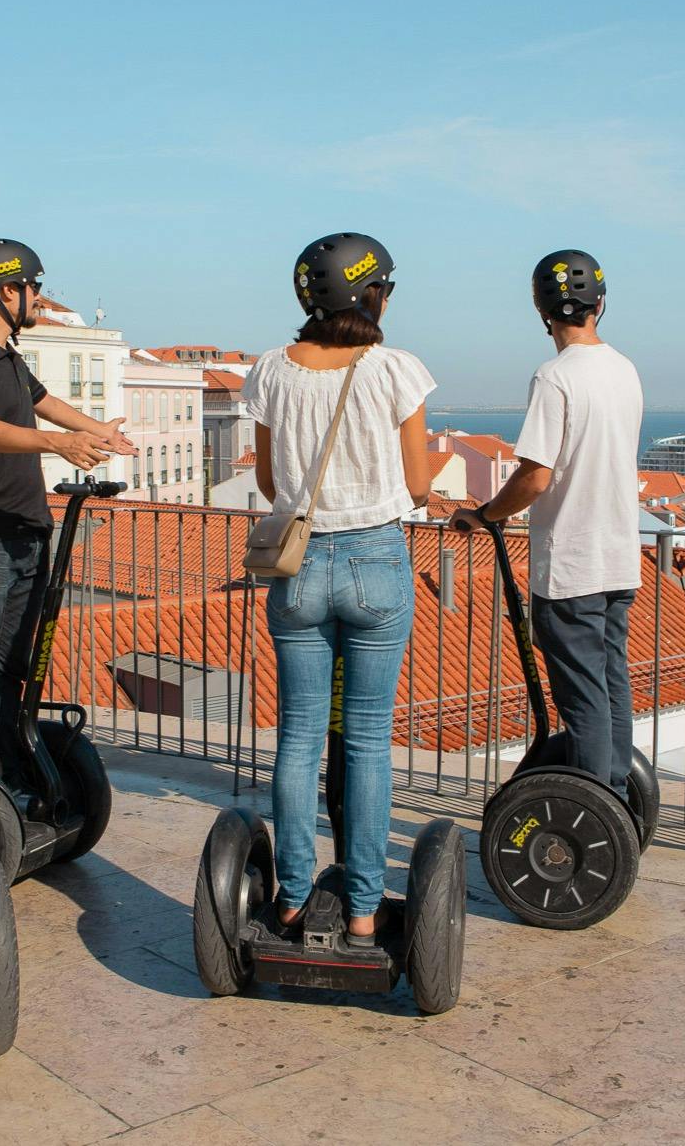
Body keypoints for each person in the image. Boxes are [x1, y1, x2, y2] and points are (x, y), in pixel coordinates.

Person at [244, 233, 434, 942]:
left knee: (297, 736)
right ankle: (360, 907)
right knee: (365, 741)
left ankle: (291, 896)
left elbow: (268, 483)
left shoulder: (270, 370)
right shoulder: (394, 369)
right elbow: (417, 484)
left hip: (297, 566)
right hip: (375, 559)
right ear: (371, 292)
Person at [0, 238, 134, 771]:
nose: (39, 299)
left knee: (9, 669)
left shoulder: (9, 360)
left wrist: (99, 434)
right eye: (33, 289)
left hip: (26, 533)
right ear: (4, 291)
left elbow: (45, 404)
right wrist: (58, 444)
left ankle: (1, 773)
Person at [452, 249, 642, 790]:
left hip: (571, 568)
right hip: (618, 560)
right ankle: (617, 801)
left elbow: (535, 476)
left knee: (583, 702)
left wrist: (485, 514)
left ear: (542, 313)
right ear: (600, 305)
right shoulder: (625, 370)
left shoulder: (555, 376)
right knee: (611, 686)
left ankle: (592, 820)